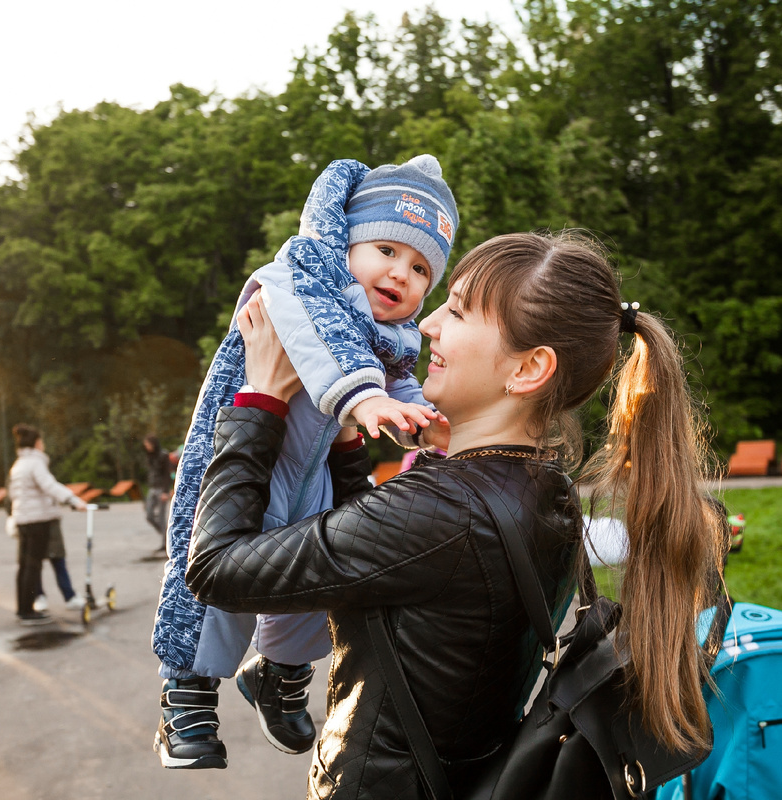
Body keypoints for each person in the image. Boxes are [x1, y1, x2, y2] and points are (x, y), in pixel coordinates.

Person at [185, 231, 725, 798]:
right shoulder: (545, 489)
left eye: (460, 311)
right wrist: (347, 435)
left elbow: (216, 569)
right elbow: (364, 556)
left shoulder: (443, 511)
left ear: (529, 368)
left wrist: (261, 397)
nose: (428, 323)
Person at [152, 155, 457, 769]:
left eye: (421, 268)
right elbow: (320, 339)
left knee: (323, 571)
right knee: (214, 577)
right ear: (345, 241)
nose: (401, 273)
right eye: (387, 251)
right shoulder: (300, 276)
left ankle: (280, 673)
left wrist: (429, 422)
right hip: (239, 450)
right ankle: (186, 694)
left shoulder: (385, 335)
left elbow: (401, 388)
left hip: (308, 471)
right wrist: (365, 398)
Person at [8, 424, 86, 625]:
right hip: (37, 521)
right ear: (36, 443)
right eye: (41, 441)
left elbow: (12, 494)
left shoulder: (18, 464)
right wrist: (73, 500)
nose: (43, 444)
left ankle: (23, 608)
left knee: (25, 566)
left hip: (23, 521)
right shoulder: (35, 463)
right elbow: (49, 486)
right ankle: (28, 613)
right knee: (32, 566)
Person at [32, 518, 86, 613]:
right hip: (31, 523)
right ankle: (39, 596)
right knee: (35, 564)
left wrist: (75, 502)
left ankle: (69, 596)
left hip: (51, 522)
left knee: (58, 561)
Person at [142, 435, 174, 554]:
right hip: (152, 488)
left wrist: (166, 491)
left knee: (161, 517)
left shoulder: (163, 455)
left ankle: (165, 543)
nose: (147, 447)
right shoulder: (149, 455)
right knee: (149, 515)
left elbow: (167, 474)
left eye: (148, 444)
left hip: (161, 489)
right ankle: (166, 536)